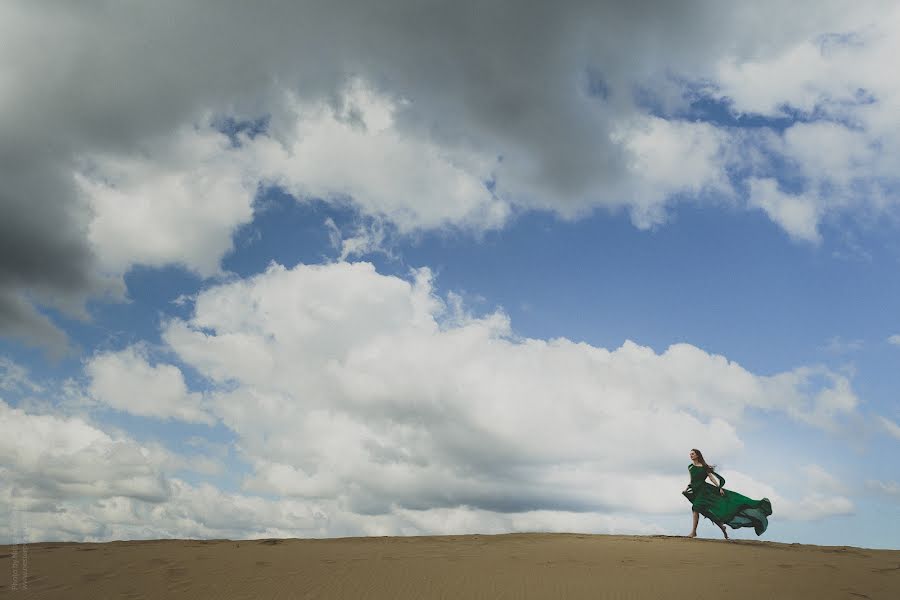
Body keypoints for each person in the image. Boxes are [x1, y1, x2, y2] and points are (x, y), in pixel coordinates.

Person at [683, 448, 772, 540]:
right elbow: (691, 480)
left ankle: (693, 532)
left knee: (695, 507)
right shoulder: (690, 467)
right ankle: (722, 527)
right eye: (690, 454)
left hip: (704, 491)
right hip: (695, 490)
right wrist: (687, 488)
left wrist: (719, 487)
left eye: (693, 454)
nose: (691, 455)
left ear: (697, 455)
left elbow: (711, 478)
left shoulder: (704, 467)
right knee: (708, 511)